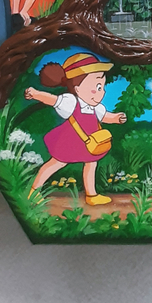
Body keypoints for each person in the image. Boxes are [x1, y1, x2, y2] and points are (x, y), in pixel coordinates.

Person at [25, 53, 127, 206]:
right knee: (56, 163)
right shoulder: (71, 102)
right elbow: (53, 100)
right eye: (97, 87)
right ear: (77, 88)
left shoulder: (96, 108)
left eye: (102, 87)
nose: (102, 92)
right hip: (70, 141)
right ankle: (33, 191)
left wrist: (116, 118)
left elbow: (105, 116)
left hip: (89, 143)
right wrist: (36, 94)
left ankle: (91, 195)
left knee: (91, 164)